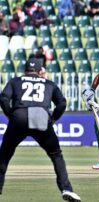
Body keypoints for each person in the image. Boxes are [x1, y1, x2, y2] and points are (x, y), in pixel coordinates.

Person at [0, 57, 81, 201]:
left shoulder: (15, 81)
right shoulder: (49, 83)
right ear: (40, 71)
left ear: (25, 70)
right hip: (41, 117)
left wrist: (10, 115)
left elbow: (3, 98)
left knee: (4, 155)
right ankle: (66, 189)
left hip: (19, 116)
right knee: (56, 155)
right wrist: (54, 118)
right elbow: (62, 103)